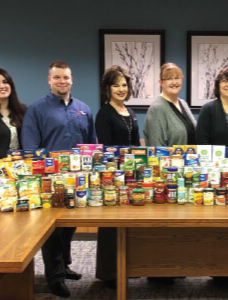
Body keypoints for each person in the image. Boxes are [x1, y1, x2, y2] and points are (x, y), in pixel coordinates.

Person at [21, 60, 96, 298]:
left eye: (65, 77)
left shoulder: (83, 108)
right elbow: (31, 148)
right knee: (51, 231)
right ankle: (54, 278)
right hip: (50, 182)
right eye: (57, 78)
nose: (62, 81)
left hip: (78, 180)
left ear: (71, 79)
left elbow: (91, 145)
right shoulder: (37, 110)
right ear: (49, 80)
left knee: (68, 228)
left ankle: (64, 266)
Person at [95, 65, 140, 289]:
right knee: (111, 225)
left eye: (124, 85)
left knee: (130, 225)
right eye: (116, 85)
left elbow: (138, 145)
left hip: (132, 176)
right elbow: (105, 150)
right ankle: (109, 272)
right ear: (107, 88)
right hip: (113, 176)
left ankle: (128, 266)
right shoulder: (104, 113)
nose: (121, 89)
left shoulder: (130, 113)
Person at [144, 63, 196, 146]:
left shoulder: (183, 103)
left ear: (181, 79)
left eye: (177, 78)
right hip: (170, 159)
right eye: (169, 79)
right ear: (161, 82)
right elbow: (156, 146)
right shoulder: (157, 109)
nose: (174, 82)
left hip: (190, 158)